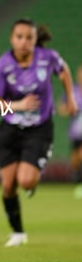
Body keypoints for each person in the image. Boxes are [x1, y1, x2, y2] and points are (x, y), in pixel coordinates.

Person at [0, 18, 77, 247]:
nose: (24, 42)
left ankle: (34, 175)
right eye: (19, 37)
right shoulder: (3, 65)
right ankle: (18, 233)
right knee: (8, 186)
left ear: (36, 40)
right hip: (10, 129)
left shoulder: (48, 58)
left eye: (29, 37)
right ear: (11, 38)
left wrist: (71, 99)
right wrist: (18, 105)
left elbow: (64, 71)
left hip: (39, 129)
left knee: (25, 182)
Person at [57, 65, 82, 198]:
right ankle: (77, 179)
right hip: (76, 131)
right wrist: (70, 109)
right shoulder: (72, 91)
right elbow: (61, 109)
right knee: (75, 160)